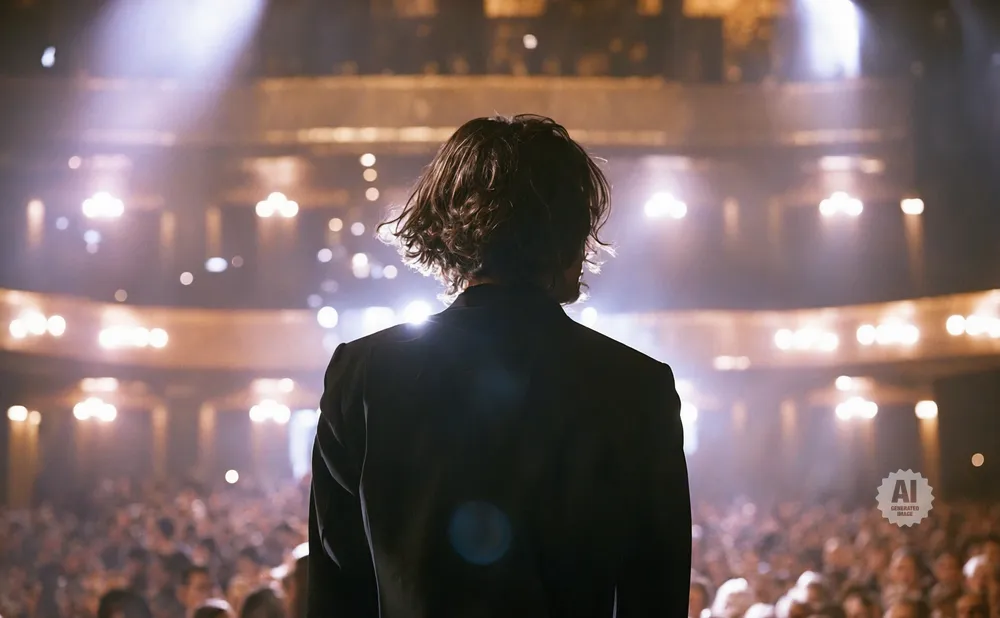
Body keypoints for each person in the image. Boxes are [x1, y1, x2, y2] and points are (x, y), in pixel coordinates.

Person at [307, 114, 691, 618]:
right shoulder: (636, 385)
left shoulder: (362, 372)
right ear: (567, 234)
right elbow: (655, 595)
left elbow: (338, 590)